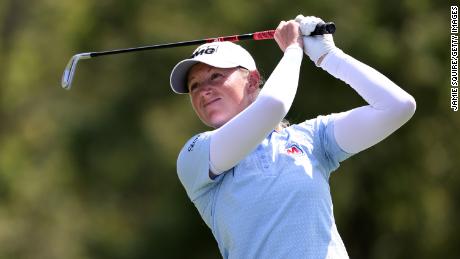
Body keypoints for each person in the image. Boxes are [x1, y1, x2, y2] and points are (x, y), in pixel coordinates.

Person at [169, 15, 416, 259]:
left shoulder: (311, 138)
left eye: (216, 76)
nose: (204, 91)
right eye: (194, 86)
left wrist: (328, 56)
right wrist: (293, 50)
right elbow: (274, 105)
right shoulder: (196, 155)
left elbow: (398, 106)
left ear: (253, 81)